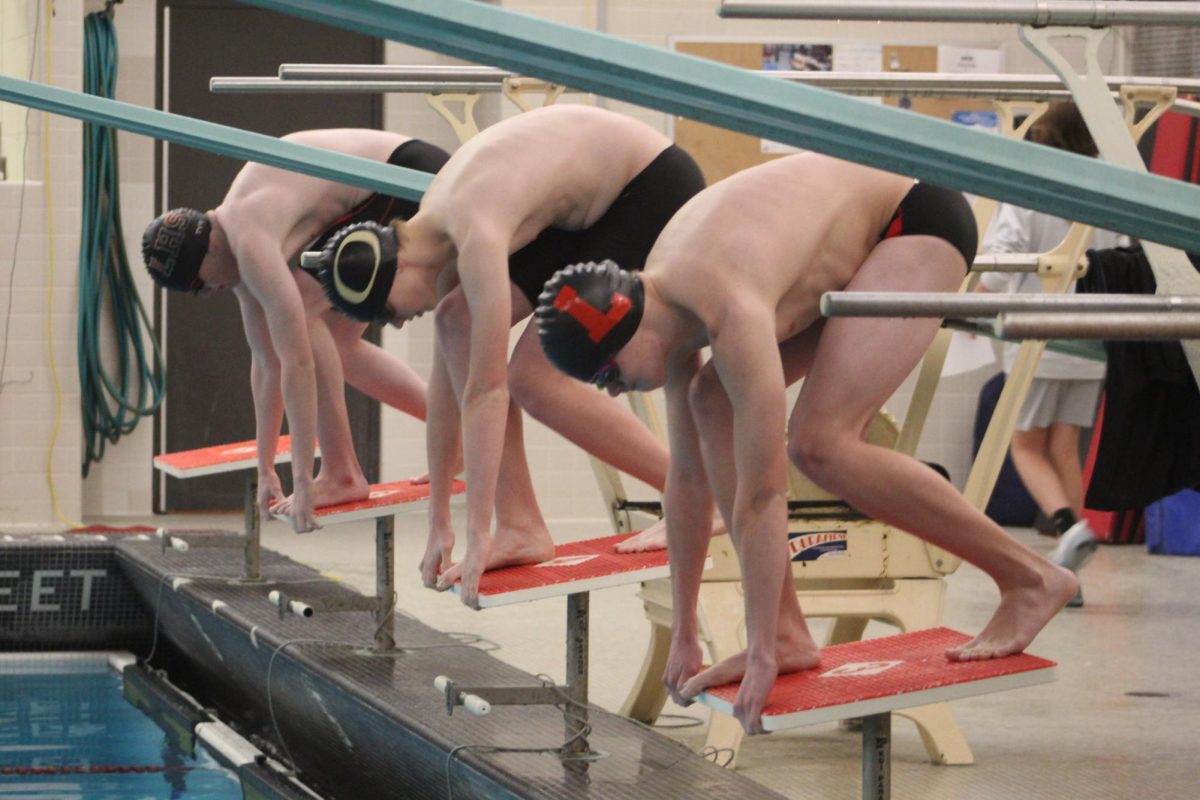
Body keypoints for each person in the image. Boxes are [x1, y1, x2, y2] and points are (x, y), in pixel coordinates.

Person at [535, 152, 1079, 734]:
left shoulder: (727, 305)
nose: (613, 392)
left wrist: (758, 647)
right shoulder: (661, 309)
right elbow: (689, 485)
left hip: (911, 219)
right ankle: (792, 634)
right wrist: (687, 633)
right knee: (709, 400)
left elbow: (765, 496)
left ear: (629, 327)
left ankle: (1030, 577)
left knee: (823, 445)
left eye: (609, 375)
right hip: (846, 239)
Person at [308, 104, 706, 606]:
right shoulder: (437, 232)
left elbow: (486, 390)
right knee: (458, 323)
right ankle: (519, 524)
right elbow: (448, 390)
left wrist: (475, 536)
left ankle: (693, 497)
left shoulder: (475, 230)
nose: (397, 321)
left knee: (532, 378)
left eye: (387, 311)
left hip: (647, 186)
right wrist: (438, 521)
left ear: (398, 266)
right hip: (587, 207)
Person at [142, 129, 445, 532]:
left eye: (201, 284)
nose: (210, 292)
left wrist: (303, 480)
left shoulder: (250, 240)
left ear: (209, 249)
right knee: (337, 344)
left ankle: (340, 472)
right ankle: (448, 434)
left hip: (404, 173)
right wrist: (265, 467)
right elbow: (267, 364)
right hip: (390, 178)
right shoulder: (234, 244)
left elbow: (297, 361)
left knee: (304, 311)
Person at [977, 103, 1127, 607]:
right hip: (1092, 338)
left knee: (1023, 447)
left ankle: (1066, 526)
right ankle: (1071, 572)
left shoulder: (1028, 186)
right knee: (1063, 449)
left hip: (1039, 338)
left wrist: (969, 305)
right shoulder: (1106, 188)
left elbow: (1002, 258)